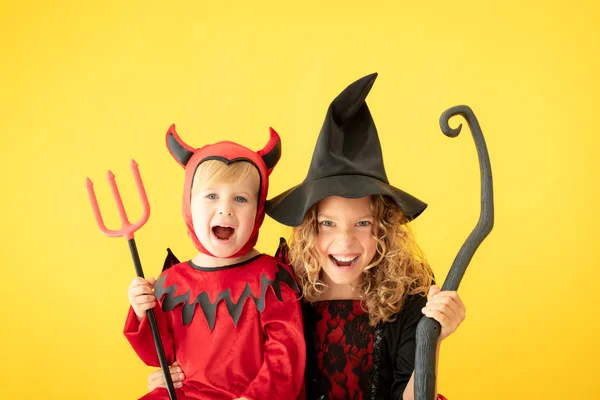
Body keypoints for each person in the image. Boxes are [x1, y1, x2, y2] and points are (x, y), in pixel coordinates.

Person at [147, 73, 465, 400]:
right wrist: (178, 377)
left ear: (383, 230)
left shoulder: (408, 297)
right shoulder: (282, 288)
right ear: (308, 228)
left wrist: (431, 339)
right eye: (328, 224)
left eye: (363, 224)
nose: (345, 242)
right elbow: (232, 363)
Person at [125, 125, 306, 400]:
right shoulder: (172, 282)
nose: (225, 208)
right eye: (211, 196)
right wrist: (141, 311)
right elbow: (157, 354)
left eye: (241, 198)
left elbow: (286, 352)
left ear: (258, 211)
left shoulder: (271, 278)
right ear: (189, 206)